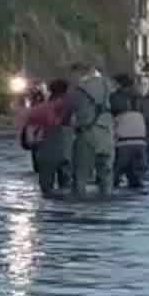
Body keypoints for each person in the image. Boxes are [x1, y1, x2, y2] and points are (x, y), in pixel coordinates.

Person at [64, 62, 113, 198]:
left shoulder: (78, 89)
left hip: (87, 134)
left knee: (81, 175)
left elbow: (67, 111)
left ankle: (80, 205)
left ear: (79, 73)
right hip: (107, 134)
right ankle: (106, 201)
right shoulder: (108, 85)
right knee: (106, 174)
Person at [21, 78, 72, 196]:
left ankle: (49, 210)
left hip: (46, 150)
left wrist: (32, 143)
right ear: (67, 91)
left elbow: (30, 131)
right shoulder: (72, 106)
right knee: (67, 187)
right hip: (68, 151)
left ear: (50, 91)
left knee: (46, 190)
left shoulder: (40, 109)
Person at [109, 74, 149, 190]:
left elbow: (109, 115)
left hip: (124, 142)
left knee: (114, 177)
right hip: (141, 143)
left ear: (117, 84)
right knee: (135, 178)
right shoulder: (141, 98)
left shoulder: (114, 98)